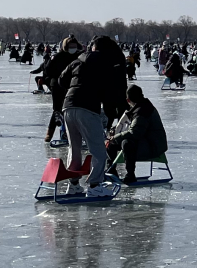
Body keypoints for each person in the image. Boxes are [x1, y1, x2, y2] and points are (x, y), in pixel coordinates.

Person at [64, 36, 127, 191]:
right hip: (87, 107)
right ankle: (95, 185)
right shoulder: (107, 63)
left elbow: (61, 80)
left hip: (68, 105)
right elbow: (112, 90)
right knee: (97, 149)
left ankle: (73, 185)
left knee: (74, 147)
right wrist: (112, 112)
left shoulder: (78, 59)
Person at [108, 85, 167, 183]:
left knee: (126, 143)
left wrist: (115, 138)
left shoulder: (143, 110)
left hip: (154, 146)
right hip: (148, 141)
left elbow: (134, 132)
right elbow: (133, 126)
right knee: (112, 144)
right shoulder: (141, 107)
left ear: (128, 100)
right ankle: (111, 171)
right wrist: (114, 132)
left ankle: (130, 175)